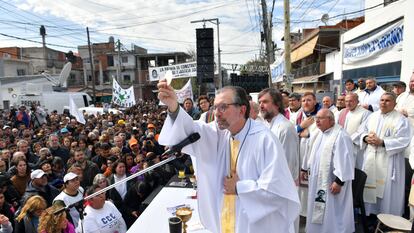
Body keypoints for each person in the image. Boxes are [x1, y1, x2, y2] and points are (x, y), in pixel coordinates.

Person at [157, 81, 300, 233]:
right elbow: (192, 130)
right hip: (226, 219)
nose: (217, 113)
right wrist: (173, 106)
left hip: (252, 226)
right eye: (215, 107)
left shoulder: (265, 140)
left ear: (241, 110)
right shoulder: (220, 133)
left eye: (223, 107)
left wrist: (240, 188)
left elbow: (278, 191)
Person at [301, 109, 355, 233]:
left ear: (331, 120)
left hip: (332, 181)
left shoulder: (341, 135)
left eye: (321, 118)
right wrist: (305, 168)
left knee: (332, 210)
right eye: (316, 118)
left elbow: (346, 160)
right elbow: (310, 152)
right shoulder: (320, 133)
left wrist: (339, 181)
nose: (317, 121)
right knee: (318, 206)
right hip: (317, 179)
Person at [358, 92, 412, 216]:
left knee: (387, 192)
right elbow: (361, 131)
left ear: (395, 103)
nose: (383, 102)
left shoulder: (401, 120)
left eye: (387, 100)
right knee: (370, 187)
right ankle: (370, 214)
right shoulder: (372, 116)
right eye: (382, 100)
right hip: (371, 157)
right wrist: (366, 138)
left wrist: (382, 142)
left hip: (389, 160)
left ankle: (386, 217)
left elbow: (404, 140)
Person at [258, 88, 299, 182]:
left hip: (280, 185)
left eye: (265, 102)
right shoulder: (264, 125)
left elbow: (288, 164)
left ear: (277, 104)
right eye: (259, 102)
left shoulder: (285, 128)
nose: (261, 106)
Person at [337, 93, 371, 169]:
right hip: (346, 145)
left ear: (357, 101)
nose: (348, 103)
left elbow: (363, 131)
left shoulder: (365, 113)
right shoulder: (347, 113)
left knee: (357, 168)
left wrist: (348, 139)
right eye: (346, 101)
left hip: (357, 148)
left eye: (351, 101)